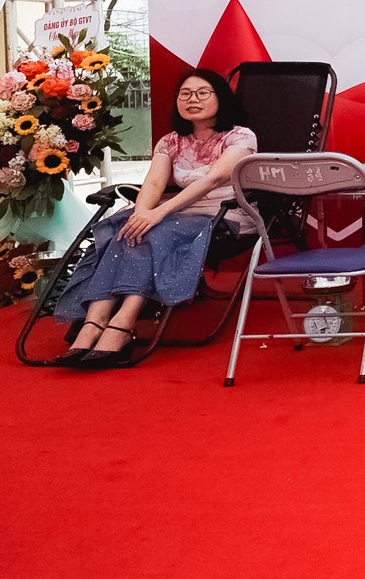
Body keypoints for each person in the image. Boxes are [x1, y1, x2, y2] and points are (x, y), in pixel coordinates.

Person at [52, 68, 257, 369]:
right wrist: (140, 216)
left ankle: (123, 324)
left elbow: (213, 179)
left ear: (221, 99)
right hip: (178, 215)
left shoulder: (240, 136)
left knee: (153, 232)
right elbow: (154, 183)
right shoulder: (170, 141)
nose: (193, 99)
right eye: (185, 94)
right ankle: (94, 322)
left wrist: (158, 213)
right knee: (125, 230)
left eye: (203, 93)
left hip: (224, 216)